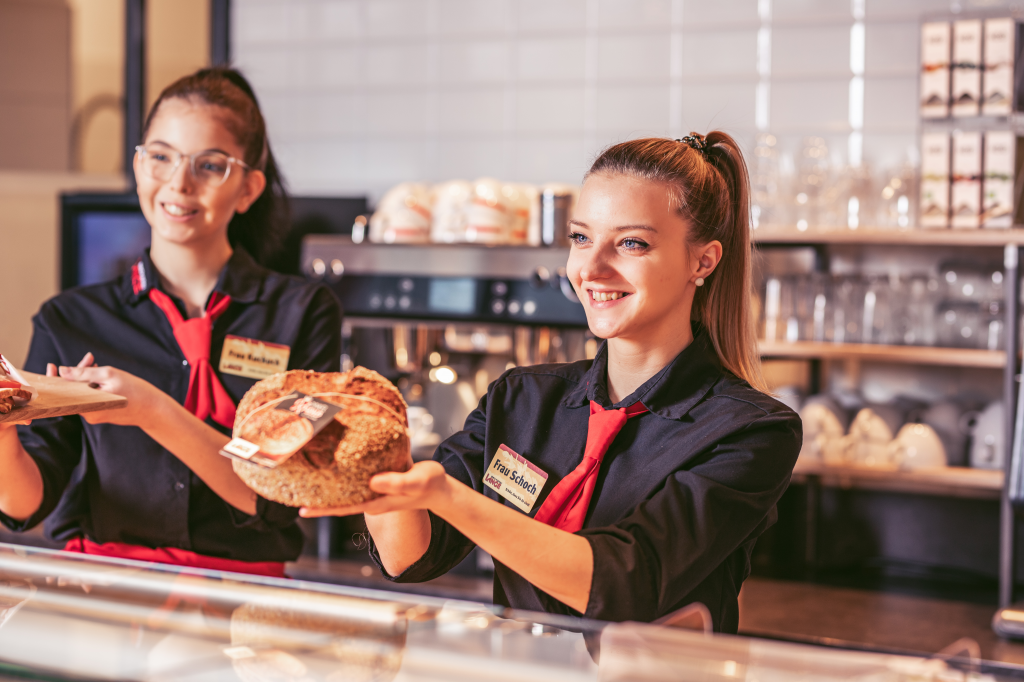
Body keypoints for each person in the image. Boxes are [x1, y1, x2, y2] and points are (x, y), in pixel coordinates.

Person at [301, 133, 801, 631]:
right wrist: (370, 467)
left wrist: (449, 497)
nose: (592, 268)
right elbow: (412, 555)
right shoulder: (523, 399)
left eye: (631, 243)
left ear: (703, 261)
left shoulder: (750, 431)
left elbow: (626, 582)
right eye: (581, 238)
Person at [0, 68, 342, 577]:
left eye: (210, 165)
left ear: (248, 189)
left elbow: (279, 496)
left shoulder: (302, 312)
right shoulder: (69, 319)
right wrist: (4, 425)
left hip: (246, 606)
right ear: (138, 167)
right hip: (106, 599)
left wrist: (150, 410)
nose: (179, 183)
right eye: (160, 157)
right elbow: (25, 505)